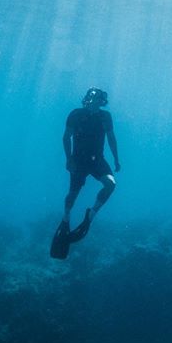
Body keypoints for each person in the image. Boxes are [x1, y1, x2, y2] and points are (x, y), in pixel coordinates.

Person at [61, 87, 120, 242]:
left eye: (99, 99)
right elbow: (66, 137)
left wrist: (116, 159)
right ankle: (66, 218)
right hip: (78, 160)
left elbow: (111, 138)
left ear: (102, 102)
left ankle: (91, 214)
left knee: (111, 184)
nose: (95, 101)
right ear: (87, 100)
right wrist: (69, 159)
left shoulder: (105, 117)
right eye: (92, 98)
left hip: (97, 160)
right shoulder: (76, 114)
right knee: (73, 194)